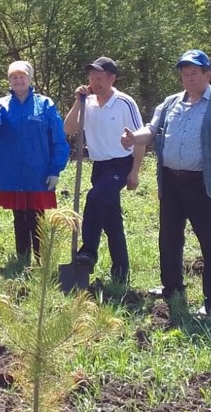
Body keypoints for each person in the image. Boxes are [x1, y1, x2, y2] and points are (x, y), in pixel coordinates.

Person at [121, 49, 211, 316]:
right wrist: (134, 137)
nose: (188, 78)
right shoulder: (170, 103)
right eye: (184, 74)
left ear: (207, 74)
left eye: (193, 73)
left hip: (206, 183)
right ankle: (172, 287)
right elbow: (152, 131)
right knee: (169, 237)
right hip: (171, 182)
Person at [63, 57, 144, 284]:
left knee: (95, 197)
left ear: (111, 78)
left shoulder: (124, 103)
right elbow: (68, 128)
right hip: (99, 166)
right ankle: (121, 272)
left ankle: (88, 250)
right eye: (91, 77)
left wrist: (135, 172)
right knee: (111, 220)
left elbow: (140, 139)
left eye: (99, 77)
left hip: (120, 164)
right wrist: (78, 102)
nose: (94, 82)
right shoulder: (87, 102)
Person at [0, 61, 70, 262]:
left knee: (37, 216)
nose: (18, 80)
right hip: (11, 171)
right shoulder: (1, 105)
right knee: (19, 216)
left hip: (38, 172)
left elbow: (58, 139)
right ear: (9, 81)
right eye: (14, 77)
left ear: (29, 79)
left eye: (22, 76)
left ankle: (41, 261)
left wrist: (55, 169)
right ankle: (22, 257)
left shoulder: (45, 104)